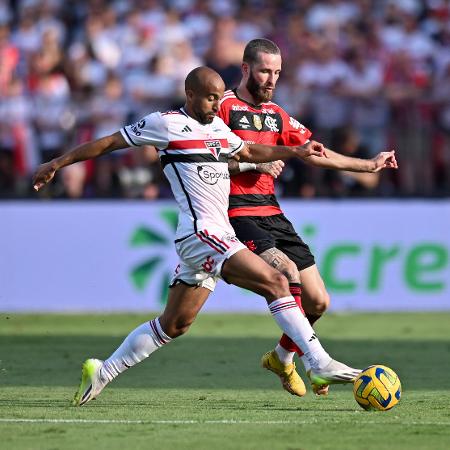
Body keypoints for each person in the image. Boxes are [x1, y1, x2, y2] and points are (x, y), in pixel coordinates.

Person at [33, 67, 365, 406]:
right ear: (189, 94)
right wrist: (58, 162)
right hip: (201, 233)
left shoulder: (218, 127)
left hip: (212, 235)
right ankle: (317, 361)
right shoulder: (164, 123)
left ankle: (103, 371)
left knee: (175, 324)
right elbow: (109, 143)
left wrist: (294, 152)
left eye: (219, 97)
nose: (215, 104)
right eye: (209, 97)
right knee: (277, 281)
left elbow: (248, 152)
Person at [218, 39, 398, 396]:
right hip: (236, 212)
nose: (271, 79)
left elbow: (313, 152)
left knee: (319, 301)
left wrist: (367, 165)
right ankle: (318, 365)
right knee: (284, 270)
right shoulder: (222, 107)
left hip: (273, 212)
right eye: (265, 71)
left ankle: (282, 357)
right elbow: (207, 160)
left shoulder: (276, 114)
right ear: (245, 69)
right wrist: (256, 162)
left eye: (277, 73)